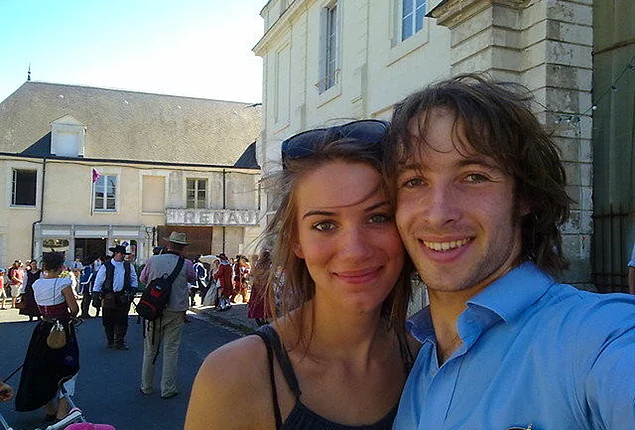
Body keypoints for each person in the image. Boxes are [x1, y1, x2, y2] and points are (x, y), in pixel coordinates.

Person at [386, 74, 635, 429]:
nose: (438, 213)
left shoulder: (595, 338)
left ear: (526, 196)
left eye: (474, 176)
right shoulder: (420, 366)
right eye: (414, 181)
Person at [185, 119, 416, 429]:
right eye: (324, 225)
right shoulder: (236, 377)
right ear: (296, 240)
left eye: (378, 217)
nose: (354, 250)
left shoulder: (426, 358)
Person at [15, 251, 80, 422]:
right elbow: (74, 310)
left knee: (43, 368)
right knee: (69, 368)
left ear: (44, 266)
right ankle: (62, 411)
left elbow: (39, 307)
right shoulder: (64, 283)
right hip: (61, 329)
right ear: (60, 267)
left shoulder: (37, 284)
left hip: (43, 328)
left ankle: (50, 408)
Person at [139, 231, 197, 399]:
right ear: (183, 248)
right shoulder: (186, 264)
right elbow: (192, 279)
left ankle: (146, 385)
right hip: (176, 310)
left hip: (153, 309)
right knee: (171, 349)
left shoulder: (153, 260)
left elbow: (143, 280)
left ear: (168, 245)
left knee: (150, 349)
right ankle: (168, 388)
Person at [92, 245, 138, 350]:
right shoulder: (106, 266)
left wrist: (133, 290)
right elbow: (99, 280)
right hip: (109, 296)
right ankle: (110, 341)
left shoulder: (128, 266)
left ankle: (120, 341)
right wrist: (95, 294)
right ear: (115, 253)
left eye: (123, 254)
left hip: (123, 296)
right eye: (120, 254)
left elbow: (133, 278)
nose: (122, 256)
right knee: (108, 319)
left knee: (122, 319)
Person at [247, 249, 272, 326]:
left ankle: (262, 317)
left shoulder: (259, 264)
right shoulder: (269, 264)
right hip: (265, 285)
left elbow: (252, 273)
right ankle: (264, 317)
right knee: (264, 301)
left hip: (259, 285)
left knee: (261, 301)